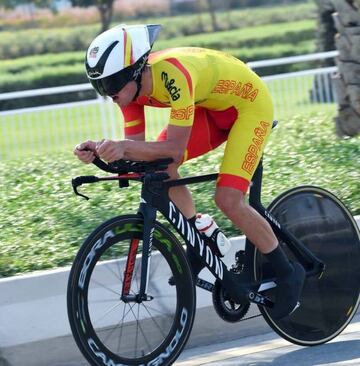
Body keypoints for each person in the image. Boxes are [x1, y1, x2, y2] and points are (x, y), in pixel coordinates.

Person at [74, 24, 305, 319]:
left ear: (132, 71)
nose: (109, 96)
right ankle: (199, 234)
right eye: (101, 88)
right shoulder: (129, 94)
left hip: (249, 107)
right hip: (210, 109)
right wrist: (100, 152)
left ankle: (288, 272)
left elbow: (172, 147)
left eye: (110, 86)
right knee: (158, 168)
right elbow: (136, 155)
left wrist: (122, 147)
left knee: (228, 199)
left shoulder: (173, 75)